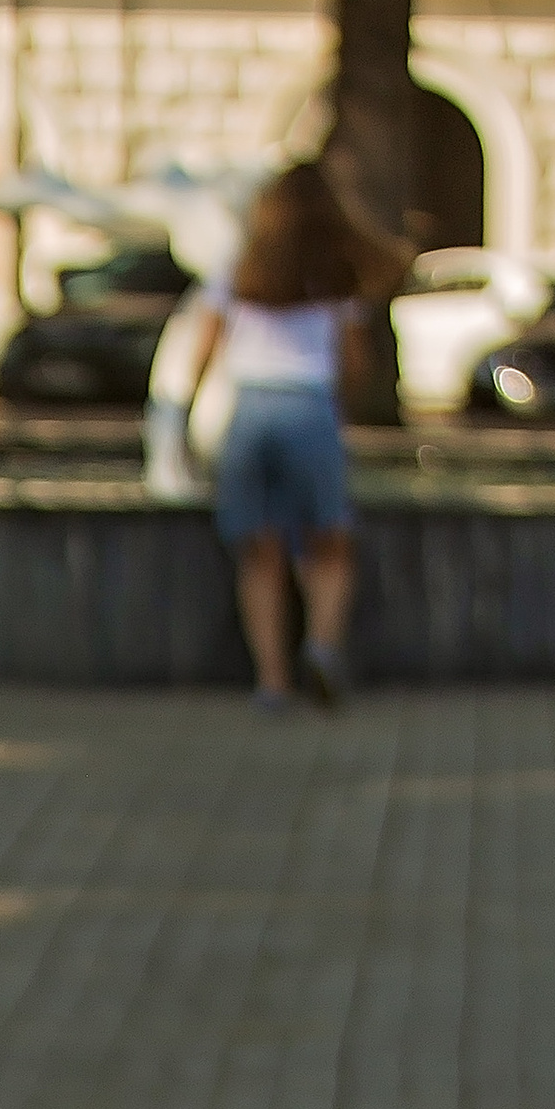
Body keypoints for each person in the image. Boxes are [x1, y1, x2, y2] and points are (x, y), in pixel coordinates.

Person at [174, 160, 402, 711]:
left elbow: (205, 344)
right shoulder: (334, 273)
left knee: (260, 550)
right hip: (309, 407)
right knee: (329, 541)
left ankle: (271, 682)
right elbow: (353, 358)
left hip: (250, 409)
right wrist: (341, 401)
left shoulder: (240, 266)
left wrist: (183, 414)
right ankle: (322, 646)